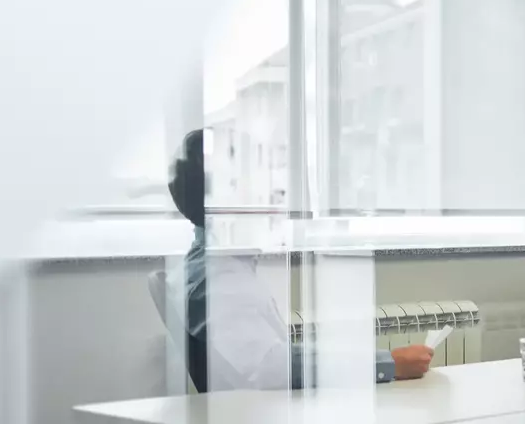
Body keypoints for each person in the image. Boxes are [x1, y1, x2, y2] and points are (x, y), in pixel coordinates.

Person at [173, 129, 432, 391]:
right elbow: (272, 368)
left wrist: (380, 360)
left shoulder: (211, 265)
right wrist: (388, 364)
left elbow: (275, 356)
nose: (275, 193)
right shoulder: (220, 280)